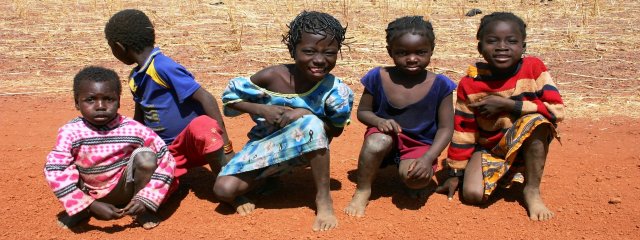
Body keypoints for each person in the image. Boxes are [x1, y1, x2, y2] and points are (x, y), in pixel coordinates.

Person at [214, 11, 353, 231]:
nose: (319, 60)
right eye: (308, 51)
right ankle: (269, 179)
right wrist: (262, 109)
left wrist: (304, 114)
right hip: (264, 148)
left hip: (303, 152)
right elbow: (230, 100)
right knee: (223, 190)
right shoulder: (272, 76)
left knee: (312, 123)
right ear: (292, 50)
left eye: (329, 53)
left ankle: (323, 200)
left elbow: (334, 131)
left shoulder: (336, 92)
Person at [436, 12, 565, 221]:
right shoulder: (470, 83)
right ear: (480, 48)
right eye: (492, 41)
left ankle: (531, 189)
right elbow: (464, 130)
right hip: (489, 148)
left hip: (526, 144)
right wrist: (455, 173)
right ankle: (504, 171)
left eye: (512, 41)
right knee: (472, 195)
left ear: (523, 47)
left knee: (538, 122)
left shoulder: (534, 68)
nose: (502, 47)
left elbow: (556, 111)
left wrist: (508, 104)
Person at [104, 9, 234, 189]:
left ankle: (227, 181)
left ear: (119, 47)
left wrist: (226, 147)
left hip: (194, 145)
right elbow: (140, 118)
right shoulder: (135, 78)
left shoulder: (162, 67)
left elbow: (206, 98)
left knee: (203, 125)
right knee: (155, 188)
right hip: (166, 151)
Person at [344, 16, 457, 218]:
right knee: (376, 142)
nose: (412, 58)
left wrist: (428, 158)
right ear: (390, 52)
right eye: (402, 53)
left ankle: (412, 172)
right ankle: (363, 189)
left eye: (420, 52)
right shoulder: (378, 76)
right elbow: (363, 112)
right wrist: (379, 121)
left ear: (432, 50)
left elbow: (446, 128)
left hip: (419, 143)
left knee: (417, 179)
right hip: (385, 136)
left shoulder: (441, 84)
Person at [44, 66, 175, 230]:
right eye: (90, 100)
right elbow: (54, 170)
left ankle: (141, 210)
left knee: (147, 157)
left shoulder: (134, 129)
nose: (100, 106)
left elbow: (166, 158)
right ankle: (80, 210)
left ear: (119, 101)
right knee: (63, 166)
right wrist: (89, 204)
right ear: (77, 103)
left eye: (109, 99)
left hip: (125, 190)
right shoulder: (70, 132)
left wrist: (146, 197)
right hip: (87, 191)